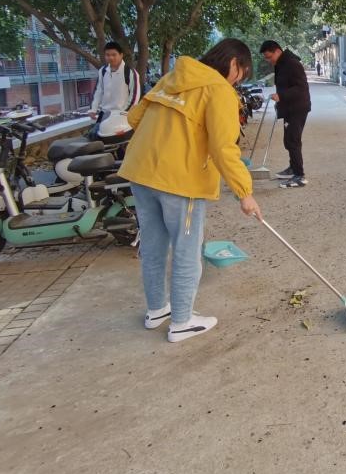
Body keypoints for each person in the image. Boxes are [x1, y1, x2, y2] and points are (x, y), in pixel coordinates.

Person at [119, 39, 262, 343]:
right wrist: (244, 192)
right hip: (178, 181)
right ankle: (181, 322)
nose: (238, 80)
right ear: (233, 64)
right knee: (186, 251)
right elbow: (223, 148)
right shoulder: (219, 90)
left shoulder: (172, 77)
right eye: (241, 73)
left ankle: (157, 309)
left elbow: (134, 118)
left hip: (140, 171)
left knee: (153, 246)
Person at [260, 40, 311, 188]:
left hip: (298, 108)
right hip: (289, 107)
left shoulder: (292, 64)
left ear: (277, 51)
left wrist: (281, 96)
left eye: (269, 57)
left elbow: (301, 88)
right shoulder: (281, 64)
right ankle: (293, 168)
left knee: (293, 140)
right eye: (266, 58)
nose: (269, 60)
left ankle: (299, 176)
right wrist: (280, 100)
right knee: (288, 140)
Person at [89, 41, 140, 137]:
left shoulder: (130, 72)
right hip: (105, 114)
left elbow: (135, 96)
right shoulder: (103, 71)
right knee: (94, 137)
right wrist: (93, 109)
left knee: (118, 143)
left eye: (114, 55)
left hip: (122, 115)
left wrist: (125, 113)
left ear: (121, 55)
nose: (111, 58)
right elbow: (98, 91)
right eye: (108, 55)